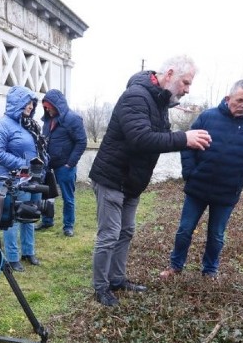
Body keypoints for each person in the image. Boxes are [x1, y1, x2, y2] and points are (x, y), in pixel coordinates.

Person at [89, 55, 212, 307]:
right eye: (185, 83)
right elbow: (141, 138)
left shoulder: (159, 102)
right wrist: (183, 138)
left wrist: (180, 139)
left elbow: (158, 137)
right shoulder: (136, 96)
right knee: (109, 235)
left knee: (126, 231)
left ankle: (117, 279)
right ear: (169, 74)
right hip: (112, 177)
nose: (187, 90)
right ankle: (101, 288)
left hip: (132, 181)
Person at [160, 79, 243, 281]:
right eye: (240, 100)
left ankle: (209, 272)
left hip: (227, 191)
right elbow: (187, 144)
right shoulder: (208, 117)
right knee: (184, 230)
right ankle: (175, 266)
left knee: (216, 235)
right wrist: (190, 172)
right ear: (228, 98)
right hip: (197, 187)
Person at [0, 86, 49, 272]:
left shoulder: (28, 125)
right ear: (17, 103)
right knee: (14, 218)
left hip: (34, 179)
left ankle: (28, 251)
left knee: (30, 214)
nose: (31, 106)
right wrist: (25, 165)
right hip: (13, 181)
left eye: (32, 102)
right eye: (27, 102)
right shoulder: (1, 125)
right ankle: (13, 257)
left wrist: (42, 160)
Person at [36, 89, 88, 237]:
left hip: (65, 167)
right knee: (46, 195)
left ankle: (68, 226)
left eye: (48, 106)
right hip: (48, 166)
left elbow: (81, 142)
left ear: (56, 105)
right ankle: (47, 221)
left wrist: (70, 163)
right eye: (45, 107)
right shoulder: (47, 120)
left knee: (68, 198)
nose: (47, 109)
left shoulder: (73, 119)